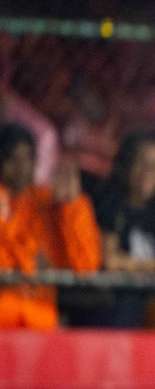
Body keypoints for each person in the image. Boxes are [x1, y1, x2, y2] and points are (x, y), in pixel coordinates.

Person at [0, 125, 100, 329]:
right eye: (12, 159)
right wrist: (28, 264)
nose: (21, 166)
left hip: (40, 321)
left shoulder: (50, 204)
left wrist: (72, 206)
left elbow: (86, 264)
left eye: (27, 158)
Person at [92, 130, 155, 330]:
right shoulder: (109, 206)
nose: (149, 171)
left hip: (154, 306)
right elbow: (110, 262)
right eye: (142, 162)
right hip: (113, 303)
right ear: (125, 165)